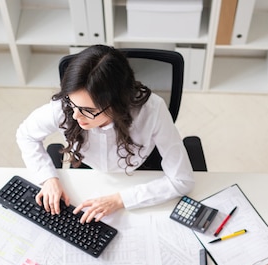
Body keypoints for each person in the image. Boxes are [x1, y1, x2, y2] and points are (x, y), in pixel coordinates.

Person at [16, 45, 195, 223]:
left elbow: (182, 180)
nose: (76, 116)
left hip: (137, 171)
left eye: (88, 110)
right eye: (72, 103)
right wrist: (48, 178)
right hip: (85, 169)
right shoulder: (66, 107)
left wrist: (120, 200)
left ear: (118, 104)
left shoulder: (153, 110)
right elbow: (26, 134)